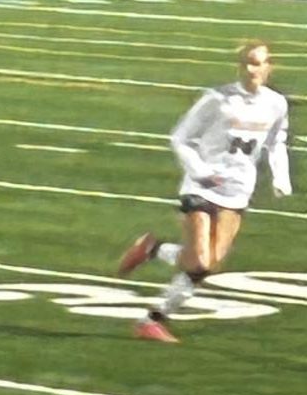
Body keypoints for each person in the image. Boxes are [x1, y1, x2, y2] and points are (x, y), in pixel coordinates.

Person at [117, 39, 290, 341]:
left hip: (238, 191)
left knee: (208, 265)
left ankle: (152, 253)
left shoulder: (276, 104)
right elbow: (180, 138)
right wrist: (202, 172)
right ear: (240, 65)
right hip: (201, 187)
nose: (253, 69)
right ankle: (153, 318)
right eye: (248, 62)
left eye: (259, 63)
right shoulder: (216, 99)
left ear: (269, 67)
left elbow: (277, 142)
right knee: (199, 260)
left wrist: (281, 177)